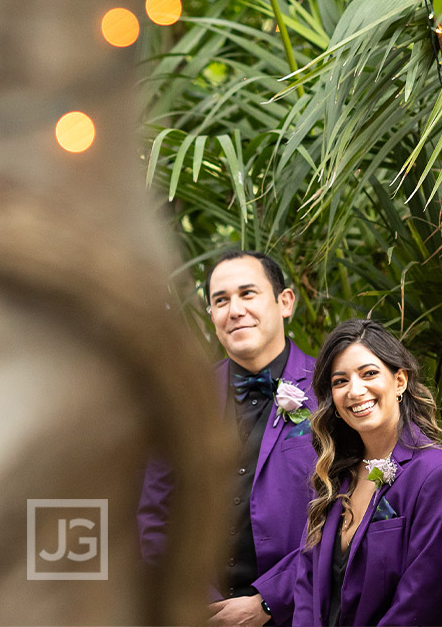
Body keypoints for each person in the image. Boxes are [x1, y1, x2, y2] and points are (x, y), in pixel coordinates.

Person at [138, 250, 318, 627]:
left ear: (285, 302)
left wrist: (270, 601)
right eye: (221, 300)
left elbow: (351, 513)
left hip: (301, 613)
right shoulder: (184, 398)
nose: (234, 309)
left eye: (247, 293)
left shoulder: (332, 392)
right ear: (212, 315)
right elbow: (154, 515)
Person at [293, 319, 442, 626]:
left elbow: (419, 603)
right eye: (340, 381)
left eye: (369, 373)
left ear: (399, 380)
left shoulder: (438, 476)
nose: (355, 390)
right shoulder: (333, 476)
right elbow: (306, 584)